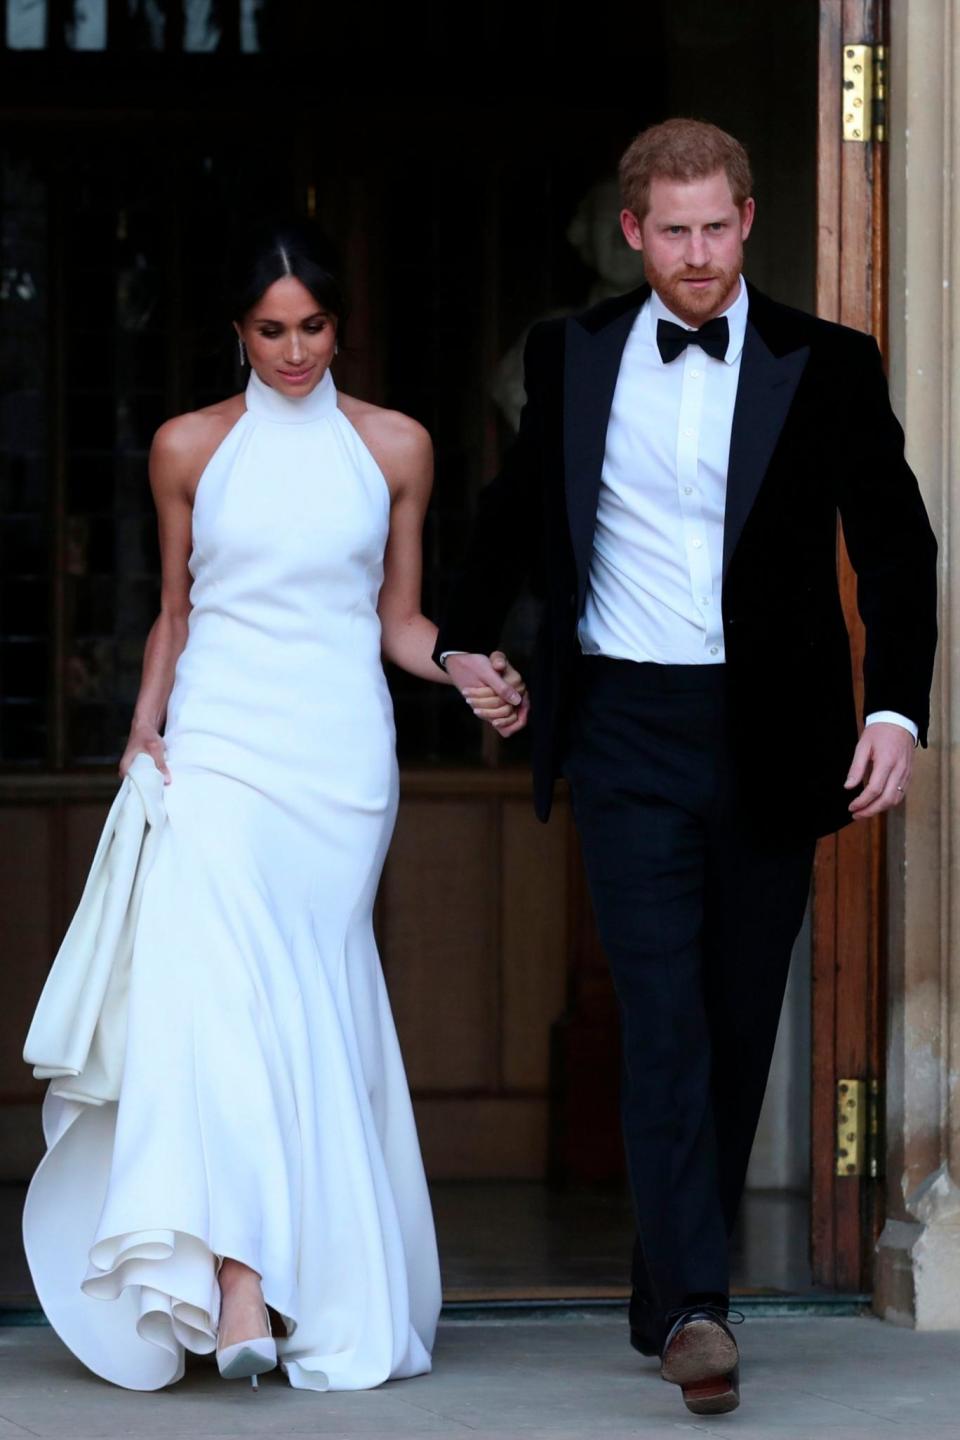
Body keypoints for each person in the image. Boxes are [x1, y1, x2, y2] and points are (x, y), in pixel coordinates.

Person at [435, 119, 938, 1417]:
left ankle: (670, 1292)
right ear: (634, 234)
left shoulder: (824, 365)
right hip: (625, 733)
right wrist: (460, 642)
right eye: (675, 230)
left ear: (751, 221)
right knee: (659, 1018)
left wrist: (895, 712)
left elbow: (896, 546)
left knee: (727, 1023)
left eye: (719, 227)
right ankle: (703, 1310)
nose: (699, 253)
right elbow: (516, 517)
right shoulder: (571, 354)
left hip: (772, 738)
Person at [22, 219, 521, 1393]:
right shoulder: (188, 446)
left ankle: (307, 1282)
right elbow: (178, 608)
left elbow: (396, 620)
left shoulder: (395, 446)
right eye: (270, 330)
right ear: (237, 332)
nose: (294, 351)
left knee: (306, 1009)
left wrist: (462, 666)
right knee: (215, 1002)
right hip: (219, 748)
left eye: (313, 327)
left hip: (339, 768)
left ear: (338, 325)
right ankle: (241, 1281)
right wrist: (146, 722)